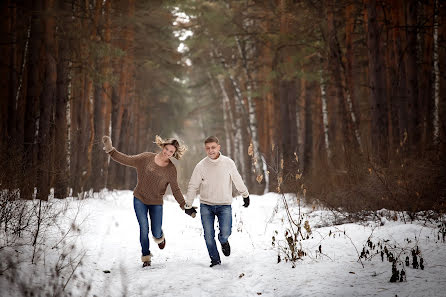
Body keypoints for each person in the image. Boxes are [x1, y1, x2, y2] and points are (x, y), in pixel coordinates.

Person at [102, 135, 196, 268]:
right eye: (167, 149)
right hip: (139, 198)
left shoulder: (171, 170)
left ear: (174, 154)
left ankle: (160, 236)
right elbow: (127, 159)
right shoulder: (146, 158)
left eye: (171, 152)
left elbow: (175, 189)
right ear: (163, 146)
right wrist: (111, 150)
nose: (168, 153)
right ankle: (146, 257)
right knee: (143, 227)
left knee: (156, 231)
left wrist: (184, 206)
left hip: (156, 203)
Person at [185, 136, 250, 267]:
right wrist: (188, 205)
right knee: (208, 236)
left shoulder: (228, 163)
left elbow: (237, 179)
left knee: (226, 231)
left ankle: (223, 240)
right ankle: (215, 260)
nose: (211, 150)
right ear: (205, 149)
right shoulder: (201, 166)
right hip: (206, 206)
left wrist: (245, 194)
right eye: (208, 148)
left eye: (213, 147)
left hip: (224, 205)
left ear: (219, 147)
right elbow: (193, 185)